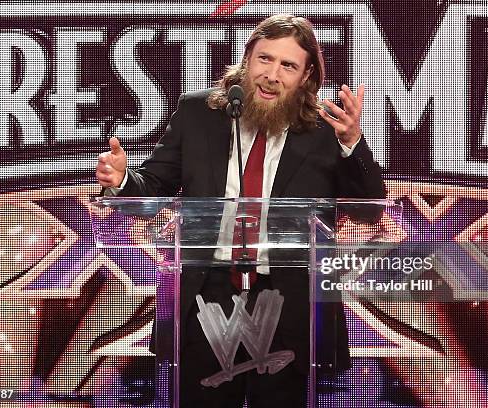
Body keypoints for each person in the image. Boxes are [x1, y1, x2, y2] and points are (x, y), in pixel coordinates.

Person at [96, 14, 385, 407]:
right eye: (265, 59)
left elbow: (369, 211)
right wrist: (123, 179)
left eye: (288, 65)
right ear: (247, 58)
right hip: (205, 295)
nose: (272, 75)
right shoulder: (199, 113)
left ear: (306, 77)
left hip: (289, 303)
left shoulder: (324, 132)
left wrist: (353, 142)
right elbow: (154, 185)